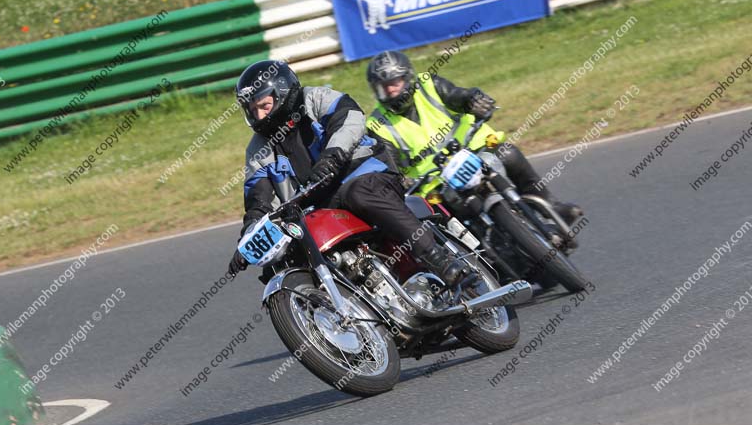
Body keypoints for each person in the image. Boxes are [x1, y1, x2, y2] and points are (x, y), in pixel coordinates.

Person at [226, 60, 467, 286]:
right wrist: (249, 239)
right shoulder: (258, 149)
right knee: (287, 250)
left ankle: (437, 257)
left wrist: (331, 157)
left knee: (358, 192)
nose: (259, 116)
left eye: (264, 106)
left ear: (282, 93)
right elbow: (258, 199)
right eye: (253, 110)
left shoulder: (315, 98)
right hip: (320, 203)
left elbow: (349, 119)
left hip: (365, 173)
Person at [364, 50, 582, 224]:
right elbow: (389, 166)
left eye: (395, 82)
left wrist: (474, 99)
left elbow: (458, 95)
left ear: (408, 78)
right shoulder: (377, 124)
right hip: (434, 184)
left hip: (474, 152)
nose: (391, 91)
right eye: (384, 87)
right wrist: (400, 180)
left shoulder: (429, 85)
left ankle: (553, 207)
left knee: (508, 154)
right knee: (437, 216)